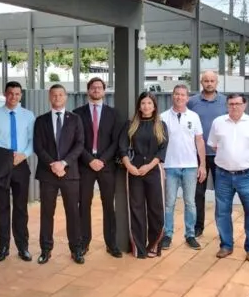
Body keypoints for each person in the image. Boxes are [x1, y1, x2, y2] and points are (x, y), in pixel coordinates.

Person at [207, 93, 249, 260]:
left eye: (238, 103)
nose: (234, 107)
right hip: (223, 175)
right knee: (222, 212)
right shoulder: (218, 123)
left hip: (247, 175)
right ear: (227, 105)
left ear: (244, 105)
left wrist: (243, 160)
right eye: (231, 103)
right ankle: (226, 245)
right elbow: (214, 146)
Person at [0, 81, 35, 262]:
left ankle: (23, 247)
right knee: (2, 207)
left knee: (21, 208)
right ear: (5, 94)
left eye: (17, 94)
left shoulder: (28, 116)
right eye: (11, 93)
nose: (14, 97)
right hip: (1, 166)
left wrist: (24, 155)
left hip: (21, 165)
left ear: (21, 95)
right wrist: (3, 156)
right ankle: (3, 247)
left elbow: (32, 140)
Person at [33, 84, 85, 265]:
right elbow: (38, 147)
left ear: (66, 97)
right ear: (49, 97)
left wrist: (63, 163)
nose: (57, 97)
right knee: (47, 213)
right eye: (54, 95)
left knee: (73, 212)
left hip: (69, 174)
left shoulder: (75, 119)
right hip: (48, 175)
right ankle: (45, 250)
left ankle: (76, 249)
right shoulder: (41, 120)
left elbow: (79, 145)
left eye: (60, 95)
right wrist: (52, 164)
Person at [73, 77, 122, 258]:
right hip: (85, 166)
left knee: (109, 205)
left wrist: (102, 160)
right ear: (88, 91)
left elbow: (117, 141)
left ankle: (111, 244)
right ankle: (83, 243)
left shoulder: (113, 114)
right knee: (83, 204)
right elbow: (76, 141)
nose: (96, 90)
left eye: (99, 87)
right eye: (93, 87)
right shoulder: (77, 113)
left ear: (104, 91)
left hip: (106, 165)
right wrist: (89, 160)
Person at [119, 92, 169, 259]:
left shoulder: (161, 125)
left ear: (154, 106)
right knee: (136, 209)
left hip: (153, 170)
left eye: (149, 103)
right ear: (139, 106)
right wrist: (129, 166)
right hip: (134, 171)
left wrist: (148, 166)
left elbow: (163, 150)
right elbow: (123, 148)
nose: (146, 106)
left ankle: (154, 245)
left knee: (156, 209)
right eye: (143, 103)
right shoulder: (130, 125)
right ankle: (139, 248)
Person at [160, 84, 205, 251]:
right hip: (170, 167)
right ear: (172, 96)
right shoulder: (162, 117)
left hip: (190, 167)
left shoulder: (194, 117)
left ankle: (190, 235)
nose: (179, 97)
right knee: (169, 203)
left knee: (190, 203)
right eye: (176, 94)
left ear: (187, 98)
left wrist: (203, 165)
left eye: (183, 95)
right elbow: (158, 143)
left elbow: (199, 141)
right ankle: (167, 234)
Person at [187, 70, 227, 237]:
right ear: (201, 82)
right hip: (198, 156)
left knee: (222, 193)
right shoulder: (192, 102)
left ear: (217, 82)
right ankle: (198, 226)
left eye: (212, 80)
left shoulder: (225, 101)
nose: (209, 83)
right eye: (206, 80)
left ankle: (222, 227)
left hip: (220, 155)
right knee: (198, 193)